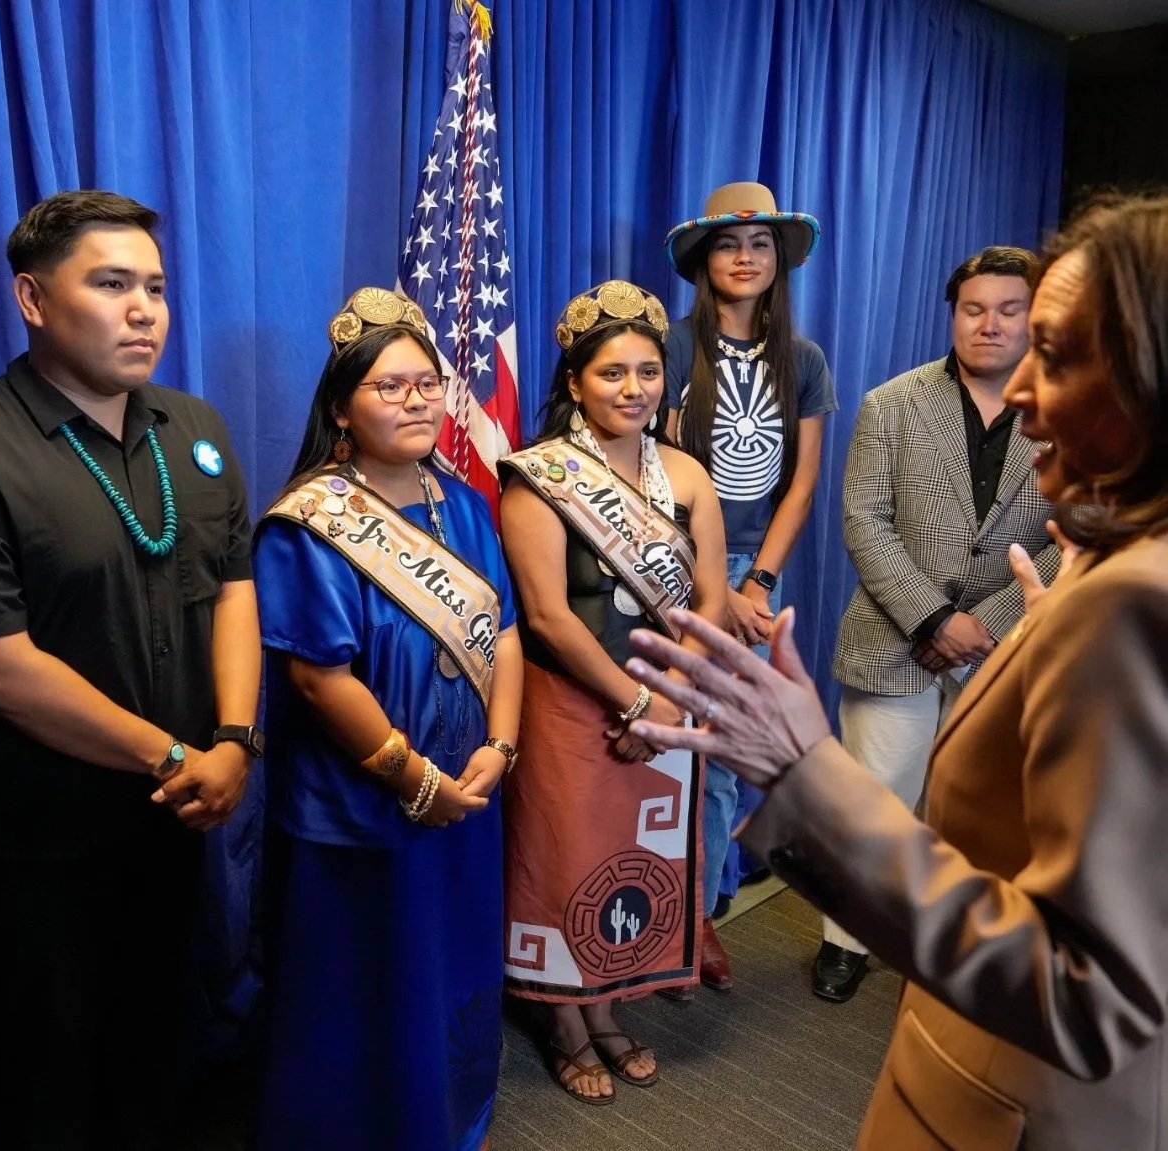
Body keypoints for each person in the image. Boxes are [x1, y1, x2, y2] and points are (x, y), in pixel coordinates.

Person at [626, 193, 1168, 1151]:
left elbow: (1089, 994)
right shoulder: (1112, 568)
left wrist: (801, 768)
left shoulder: (1133, 601)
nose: (1028, 391)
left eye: (1058, 351)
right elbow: (862, 519)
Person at [0, 191, 261, 1150]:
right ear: (32, 298)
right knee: (44, 1075)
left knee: (155, 1049)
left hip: (178, 815)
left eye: (156, 287)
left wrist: (232, 740)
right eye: (111, 284)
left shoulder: (196, 428)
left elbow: (232, 590)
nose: (144, 309)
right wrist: (178, 754)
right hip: (39, 842)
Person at [252, 288, 522, 1151]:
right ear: (340, 405)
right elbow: (318, 676)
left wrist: (501, 747)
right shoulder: (312, 522)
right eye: (387, 386)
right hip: (364, 808)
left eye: (426, 384)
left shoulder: (466, 506)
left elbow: (506, 636)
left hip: (467, 794)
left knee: (448, 968)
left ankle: (442, 1122)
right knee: (362, 984)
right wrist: (414, 783)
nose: (414, 400)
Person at [497, 280, 729, 1103]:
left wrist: (668, 698)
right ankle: (564, 1018)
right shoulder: (537, 479)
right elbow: (549, 619)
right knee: (563, 858)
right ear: (573, 384)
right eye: (610, 374)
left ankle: (608, 1005)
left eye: (647, 371)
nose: (632, 389)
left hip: (665, 700)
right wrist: (634, 704)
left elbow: (710, 603)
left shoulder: (690, 475)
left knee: (632, 858)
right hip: (570, 705)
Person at [817, 246, 1058, 1002]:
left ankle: (948, 945)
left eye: (1007, 310)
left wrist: (980, 622)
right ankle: (846, 940)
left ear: (1034, 317)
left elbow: (1076, 532)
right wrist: (930, 615)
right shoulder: (891, 402)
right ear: (952, 314)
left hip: (1007, 639)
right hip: (895, 636)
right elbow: (863, 519)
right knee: (874, 801)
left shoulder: (1067, 406)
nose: (987, 324)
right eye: (971, 308)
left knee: (981, 811)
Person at [661, 182, 838, 993]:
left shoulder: (801, 360)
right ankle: (651, 911)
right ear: (704, 259)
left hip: (750, 574)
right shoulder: (664, 347)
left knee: (725, 753)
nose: (743, 257)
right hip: (670, 565)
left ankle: (699, 913)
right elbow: (652, 471)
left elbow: (799, 483)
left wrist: (755, 579)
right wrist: (708, 581)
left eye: (759, 245)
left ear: (777, 260)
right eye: (729, 245)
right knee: (659, 741)